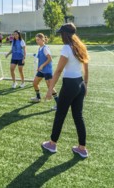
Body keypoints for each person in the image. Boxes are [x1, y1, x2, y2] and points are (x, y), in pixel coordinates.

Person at [42, 23, 89, 158]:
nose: (60, 36)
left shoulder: (67, 48)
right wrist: (85, 85)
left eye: (61, 33)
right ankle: (82, 148)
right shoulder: (81, 47)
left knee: (60, 115)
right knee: (78, 116)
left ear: (65, 34)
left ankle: (52, 144)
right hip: (80, 83)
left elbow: (58, 71)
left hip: (69, 85)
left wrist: (50, 90)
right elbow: (86, 69)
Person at [30, 33, 59, 110]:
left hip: (47, 71)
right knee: (35, 83)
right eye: (36, 40)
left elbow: (50, 59)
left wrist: (42, 66)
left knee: (50, 87)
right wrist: (39, 67)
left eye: (38, 40)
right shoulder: (40, 48)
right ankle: (38, 98)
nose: (37, 41)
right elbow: (41, 59)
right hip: (41, 70)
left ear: (43, 39)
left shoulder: (45, 48)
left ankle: (59, 104)